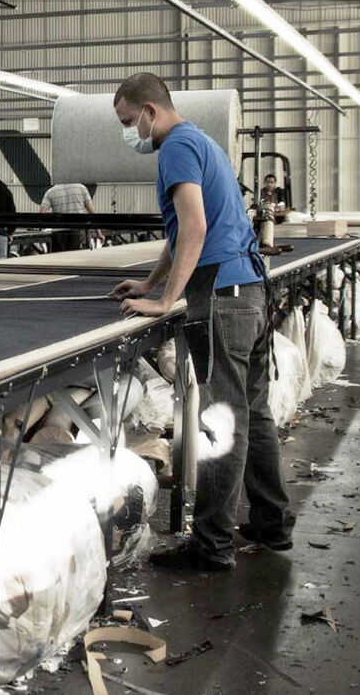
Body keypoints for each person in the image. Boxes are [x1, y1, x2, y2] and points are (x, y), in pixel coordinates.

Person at [109, 73, 292, 572]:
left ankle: (211, 545)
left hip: (223, 300)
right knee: (255, 416)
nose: (131, 133)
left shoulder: (175, 148)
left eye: (129, 122)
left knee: (223, 426)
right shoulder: (202, 142)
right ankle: (271, 524)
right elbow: (180, 232)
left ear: (150, 110)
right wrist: (150, 284)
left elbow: (195, 225)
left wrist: (167, 301)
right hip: (251, 292)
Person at [40, 182, 95, 252]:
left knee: (59, 259)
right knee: (77, 258)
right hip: (77, 231)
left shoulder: (51, 191)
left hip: (58, 232)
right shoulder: (81, 188)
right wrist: (99, 232)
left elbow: (42, 213)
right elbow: (92, 213)